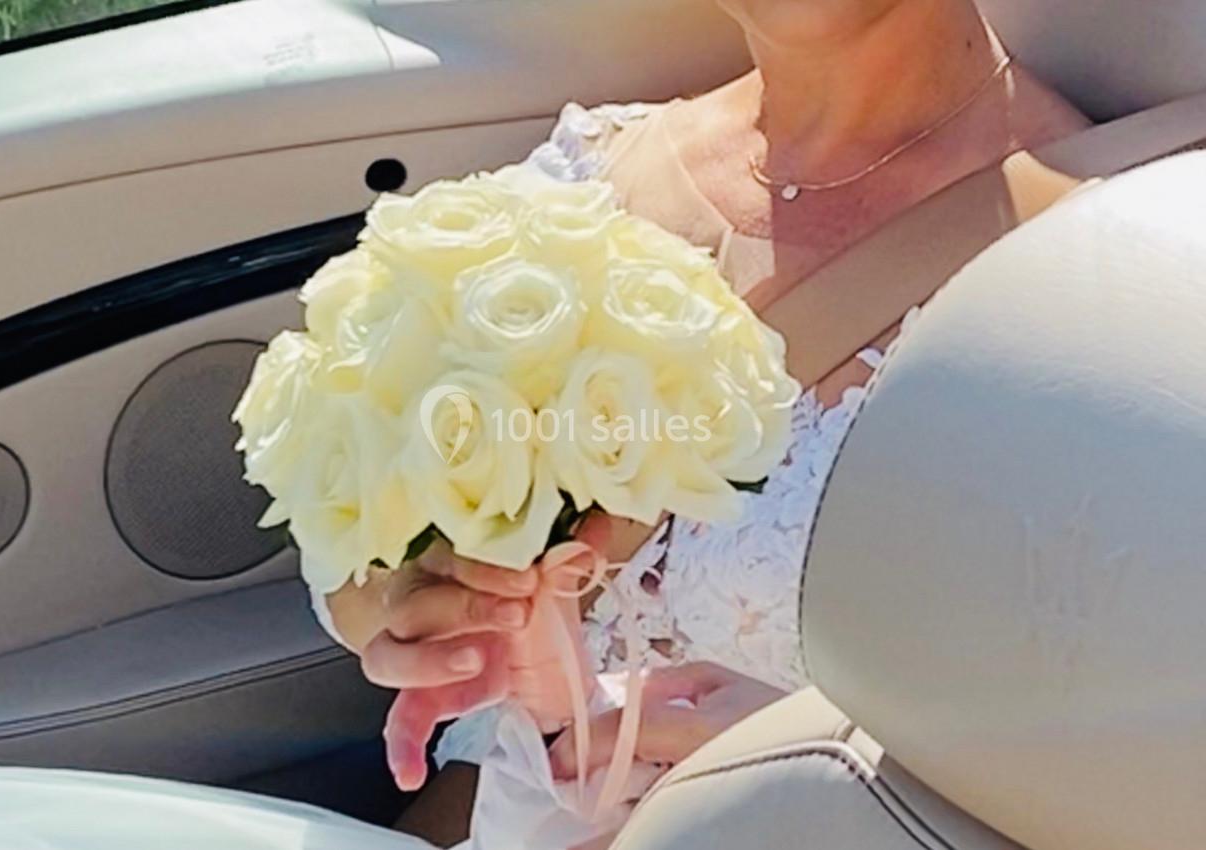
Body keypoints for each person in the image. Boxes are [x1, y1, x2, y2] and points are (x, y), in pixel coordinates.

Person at [317, 0, 1089, 844]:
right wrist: (417, 604)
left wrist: (849, 763)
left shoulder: (1114, 257)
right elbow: (363, 558)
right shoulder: (577, 180)